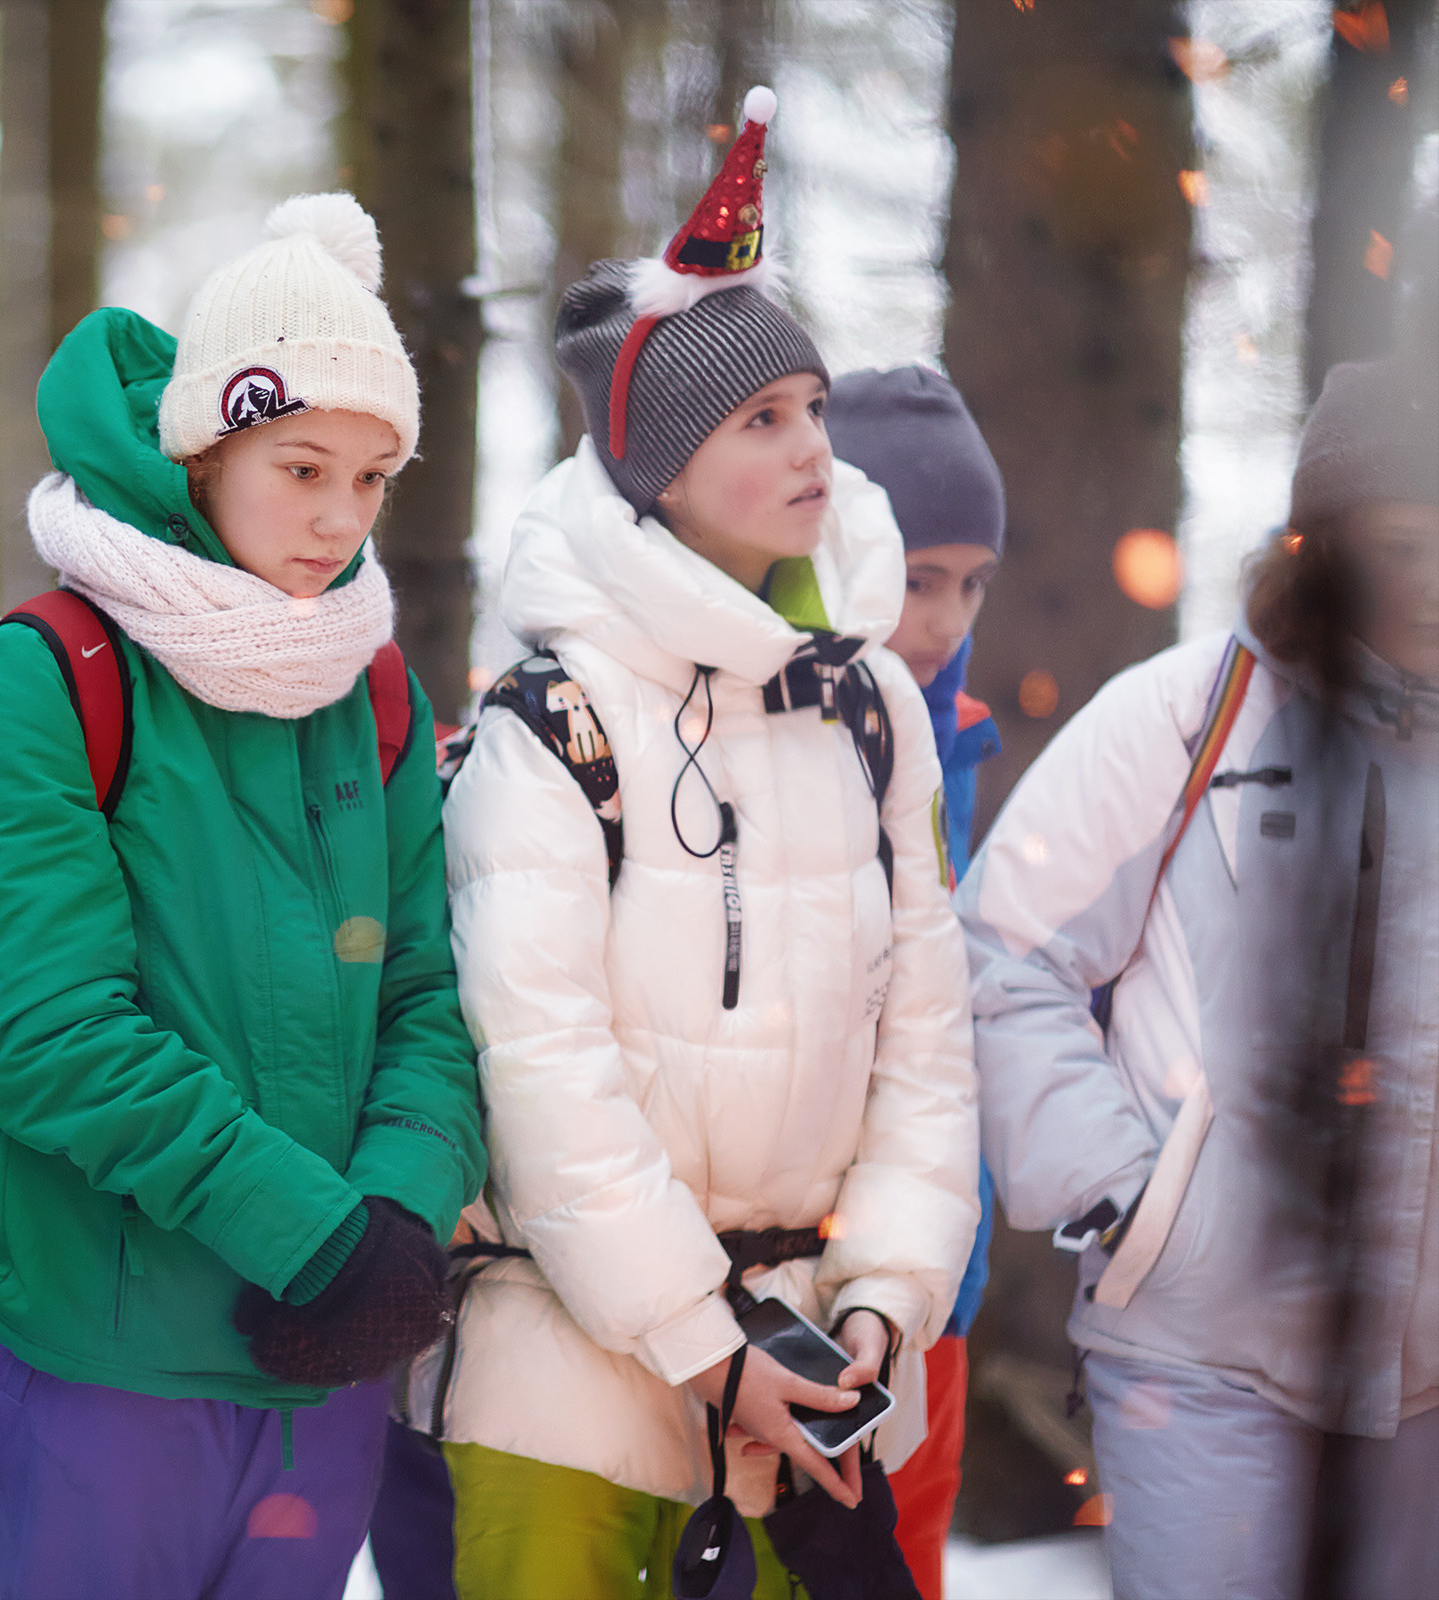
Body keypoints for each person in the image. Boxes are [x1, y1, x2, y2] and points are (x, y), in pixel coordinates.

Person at [439, 90, 978, 1599]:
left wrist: (881, 1302)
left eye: (812, 406)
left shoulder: (872, 707)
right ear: (660, 471)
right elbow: (542, 1075)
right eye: (761, 419)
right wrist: (701, 1344)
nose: (816, 447)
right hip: (572, 1402)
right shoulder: (549, 723)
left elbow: (928, 1051)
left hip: (820, 1400)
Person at [0, 192, 487, 1600]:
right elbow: (48, 1034)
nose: (339, 518)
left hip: (325, 1364)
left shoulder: (370, 685)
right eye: (302, 467)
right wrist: (316, 1238)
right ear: (206, 446)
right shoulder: (43, 677)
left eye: (373, 477)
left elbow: (426, 990)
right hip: (101, 1370)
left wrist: (396, 1220)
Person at [960, 352, 1439, 1600]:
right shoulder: (1187, 715)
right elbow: (1006, 949)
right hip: (1196, 1359)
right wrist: (1126, 1197)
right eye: (1403, 544)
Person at [826, 364, 1006, 1599]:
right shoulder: (756, 724)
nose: (944, 618)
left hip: (936, 1268)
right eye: (918, 575)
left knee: (904, 1560)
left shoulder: (965, 741)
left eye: (972, 583)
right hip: (782, 1269)